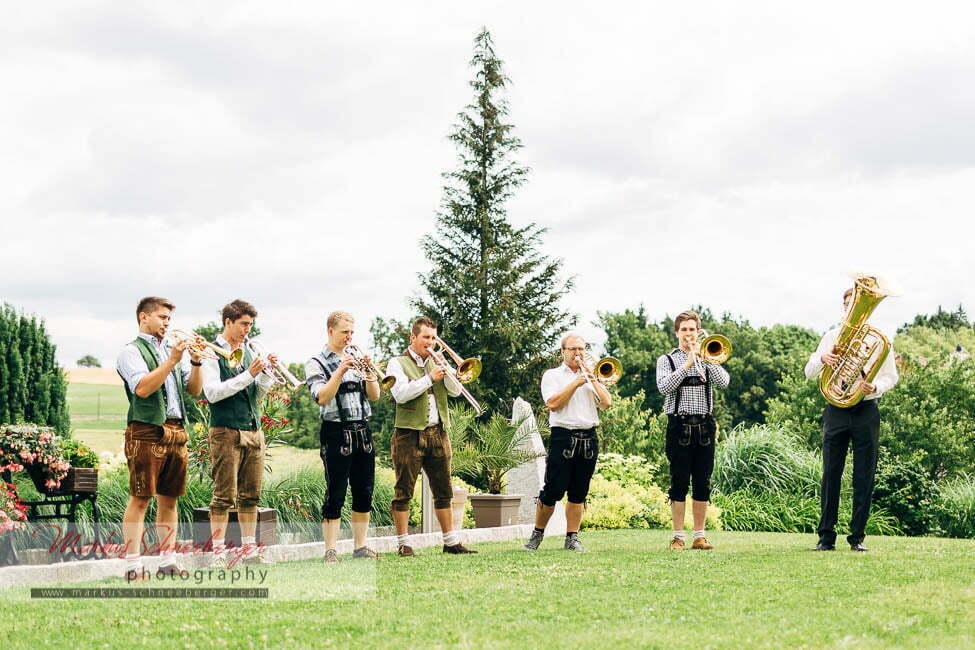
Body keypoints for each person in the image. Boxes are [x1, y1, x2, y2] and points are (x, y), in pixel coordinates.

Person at [116, 296, 203, 580]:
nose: (168, 323)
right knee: (141, 498)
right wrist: (172, 360)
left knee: (170, 499)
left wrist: (196, 362)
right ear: (144, 317)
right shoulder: (130, 351)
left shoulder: (171, 350)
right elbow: (142, 388)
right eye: (162, 317)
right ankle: (132, 565)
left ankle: (168, 561)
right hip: (146, 430)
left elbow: (194, 391)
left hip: (177, 430)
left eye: (169, 319)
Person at [805, 287, 899, 552]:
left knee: (864, 475)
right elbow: (809, 372)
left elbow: (891, 376)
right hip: (836, 408)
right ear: (843, 307)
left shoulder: (880, 340)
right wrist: (822, 359)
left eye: (857, 303)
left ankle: (857, 537)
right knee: (830, 473)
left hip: (866, 410)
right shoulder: (831, 336)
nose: (852, 307)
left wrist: (875, 387)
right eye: (848, 303)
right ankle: (826, 537)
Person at [385, 317, 476, 557]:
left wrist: (447, 372)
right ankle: (404, 544)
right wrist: (430, 377)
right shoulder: (397, 363)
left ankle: (450, 541)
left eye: (434, 338)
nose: (431, 342)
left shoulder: (438, 361)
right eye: (426, 337)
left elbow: (456, 391)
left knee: (443, 489)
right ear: (413, 337)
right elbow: (400, 394)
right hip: (408, 434)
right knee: (404, 489)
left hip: (439, 432)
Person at [202, 299, 275, 566]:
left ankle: (248, 550)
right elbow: (212, 393)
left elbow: (257, 397)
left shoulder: (250, 350)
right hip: (225, 430)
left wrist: (266, 374)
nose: (248, 330)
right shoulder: (212, 352)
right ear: (228, 322)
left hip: (253, 430)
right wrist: (248, 374)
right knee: (223, 496)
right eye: (243, 324)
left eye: (250, 325)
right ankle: (218, 553)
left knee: (250, 495)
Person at [524, 334, 612, 553]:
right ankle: (537, 533)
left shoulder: (591, 376)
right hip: (563, 436)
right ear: (562, 352)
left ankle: (572, 537)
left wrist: (592, 380)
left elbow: (607, 403)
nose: (578, 354)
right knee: (552, 489)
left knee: (579, 491)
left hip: (589, 436)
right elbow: (553, 404)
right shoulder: (552, 375)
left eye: (582, 349)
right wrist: (576, 383)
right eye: (573, 349)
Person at [305, 311, 381, 563]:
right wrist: (340, 370)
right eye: (344, 332)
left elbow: (375, 395)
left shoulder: (356, 357)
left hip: (363, 429)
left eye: (351, 332)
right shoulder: (316, 362)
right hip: (336, 432)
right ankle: (331, 549)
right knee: (335, 492)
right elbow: (321, 397)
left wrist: (369, 371)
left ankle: (361, 546)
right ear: (330, 331)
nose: (349, 337)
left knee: (364, 490)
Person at [656, 310, 730, 551]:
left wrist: (707, 358)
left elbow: (724, 382)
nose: (688, 334)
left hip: (705, 426)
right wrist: (687, 364)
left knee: (703, 482)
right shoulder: (667, 359)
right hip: (679, 425)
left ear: (698, 331)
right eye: (684, 329)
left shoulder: (708, 356)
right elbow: (664, 387)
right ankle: (678, 536)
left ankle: (700, 536)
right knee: (678, 482)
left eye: (692, 329)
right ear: (677, 332)